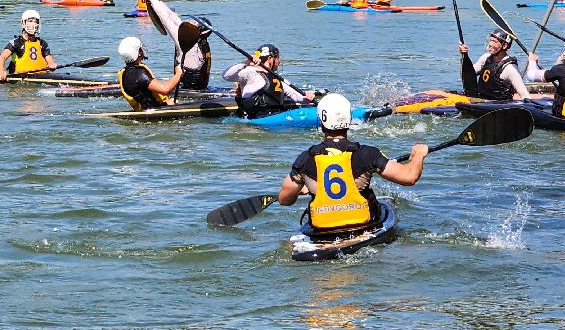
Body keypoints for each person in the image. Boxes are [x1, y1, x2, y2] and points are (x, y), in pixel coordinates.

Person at [276, 93, 428, 236]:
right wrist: (419, 154)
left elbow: (284, 199)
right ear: (348, 120)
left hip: (322, 230)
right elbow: (409, 177)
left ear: (321, 120)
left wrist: (308, 187)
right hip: (363, 226)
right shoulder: (368, 154)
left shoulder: (305, 159)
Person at [222, 43, 313, 118]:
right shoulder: (250, 72)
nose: (279, 62)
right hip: (253, 122)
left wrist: (307, 97)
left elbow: (294, 94)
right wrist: (246, 62)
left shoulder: (277, 78)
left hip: (275, 116)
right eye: (277, 58)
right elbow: (226, 76)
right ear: (270, 59)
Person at [458, 28, 531, 101]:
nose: (490, 44)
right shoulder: (485, 58)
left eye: (494, 42)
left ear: (504, 45)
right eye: (490, 41)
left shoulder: (510, 68)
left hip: (498, 105)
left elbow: (524, 94)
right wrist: (464, 55)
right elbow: (467, 75)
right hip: (480, 100)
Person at [117, 35, 182, 110]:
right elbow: (165, 89)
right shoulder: (139, 74)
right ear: (139, 53)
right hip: (153, 110)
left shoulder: (125, 73)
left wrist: (166, 103)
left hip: (145, 110)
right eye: (140, 49)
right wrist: (178, 73)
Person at [0, 10, 57, 79]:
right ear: (23, 24)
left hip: (41, 76)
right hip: (19, 77)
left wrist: (52, 64)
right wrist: (1, 70)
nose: (33, 24)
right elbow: (2, 57)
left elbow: (49, 58)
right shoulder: (16, 43)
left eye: (36, 22)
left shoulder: (42, 43)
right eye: (30, 21)